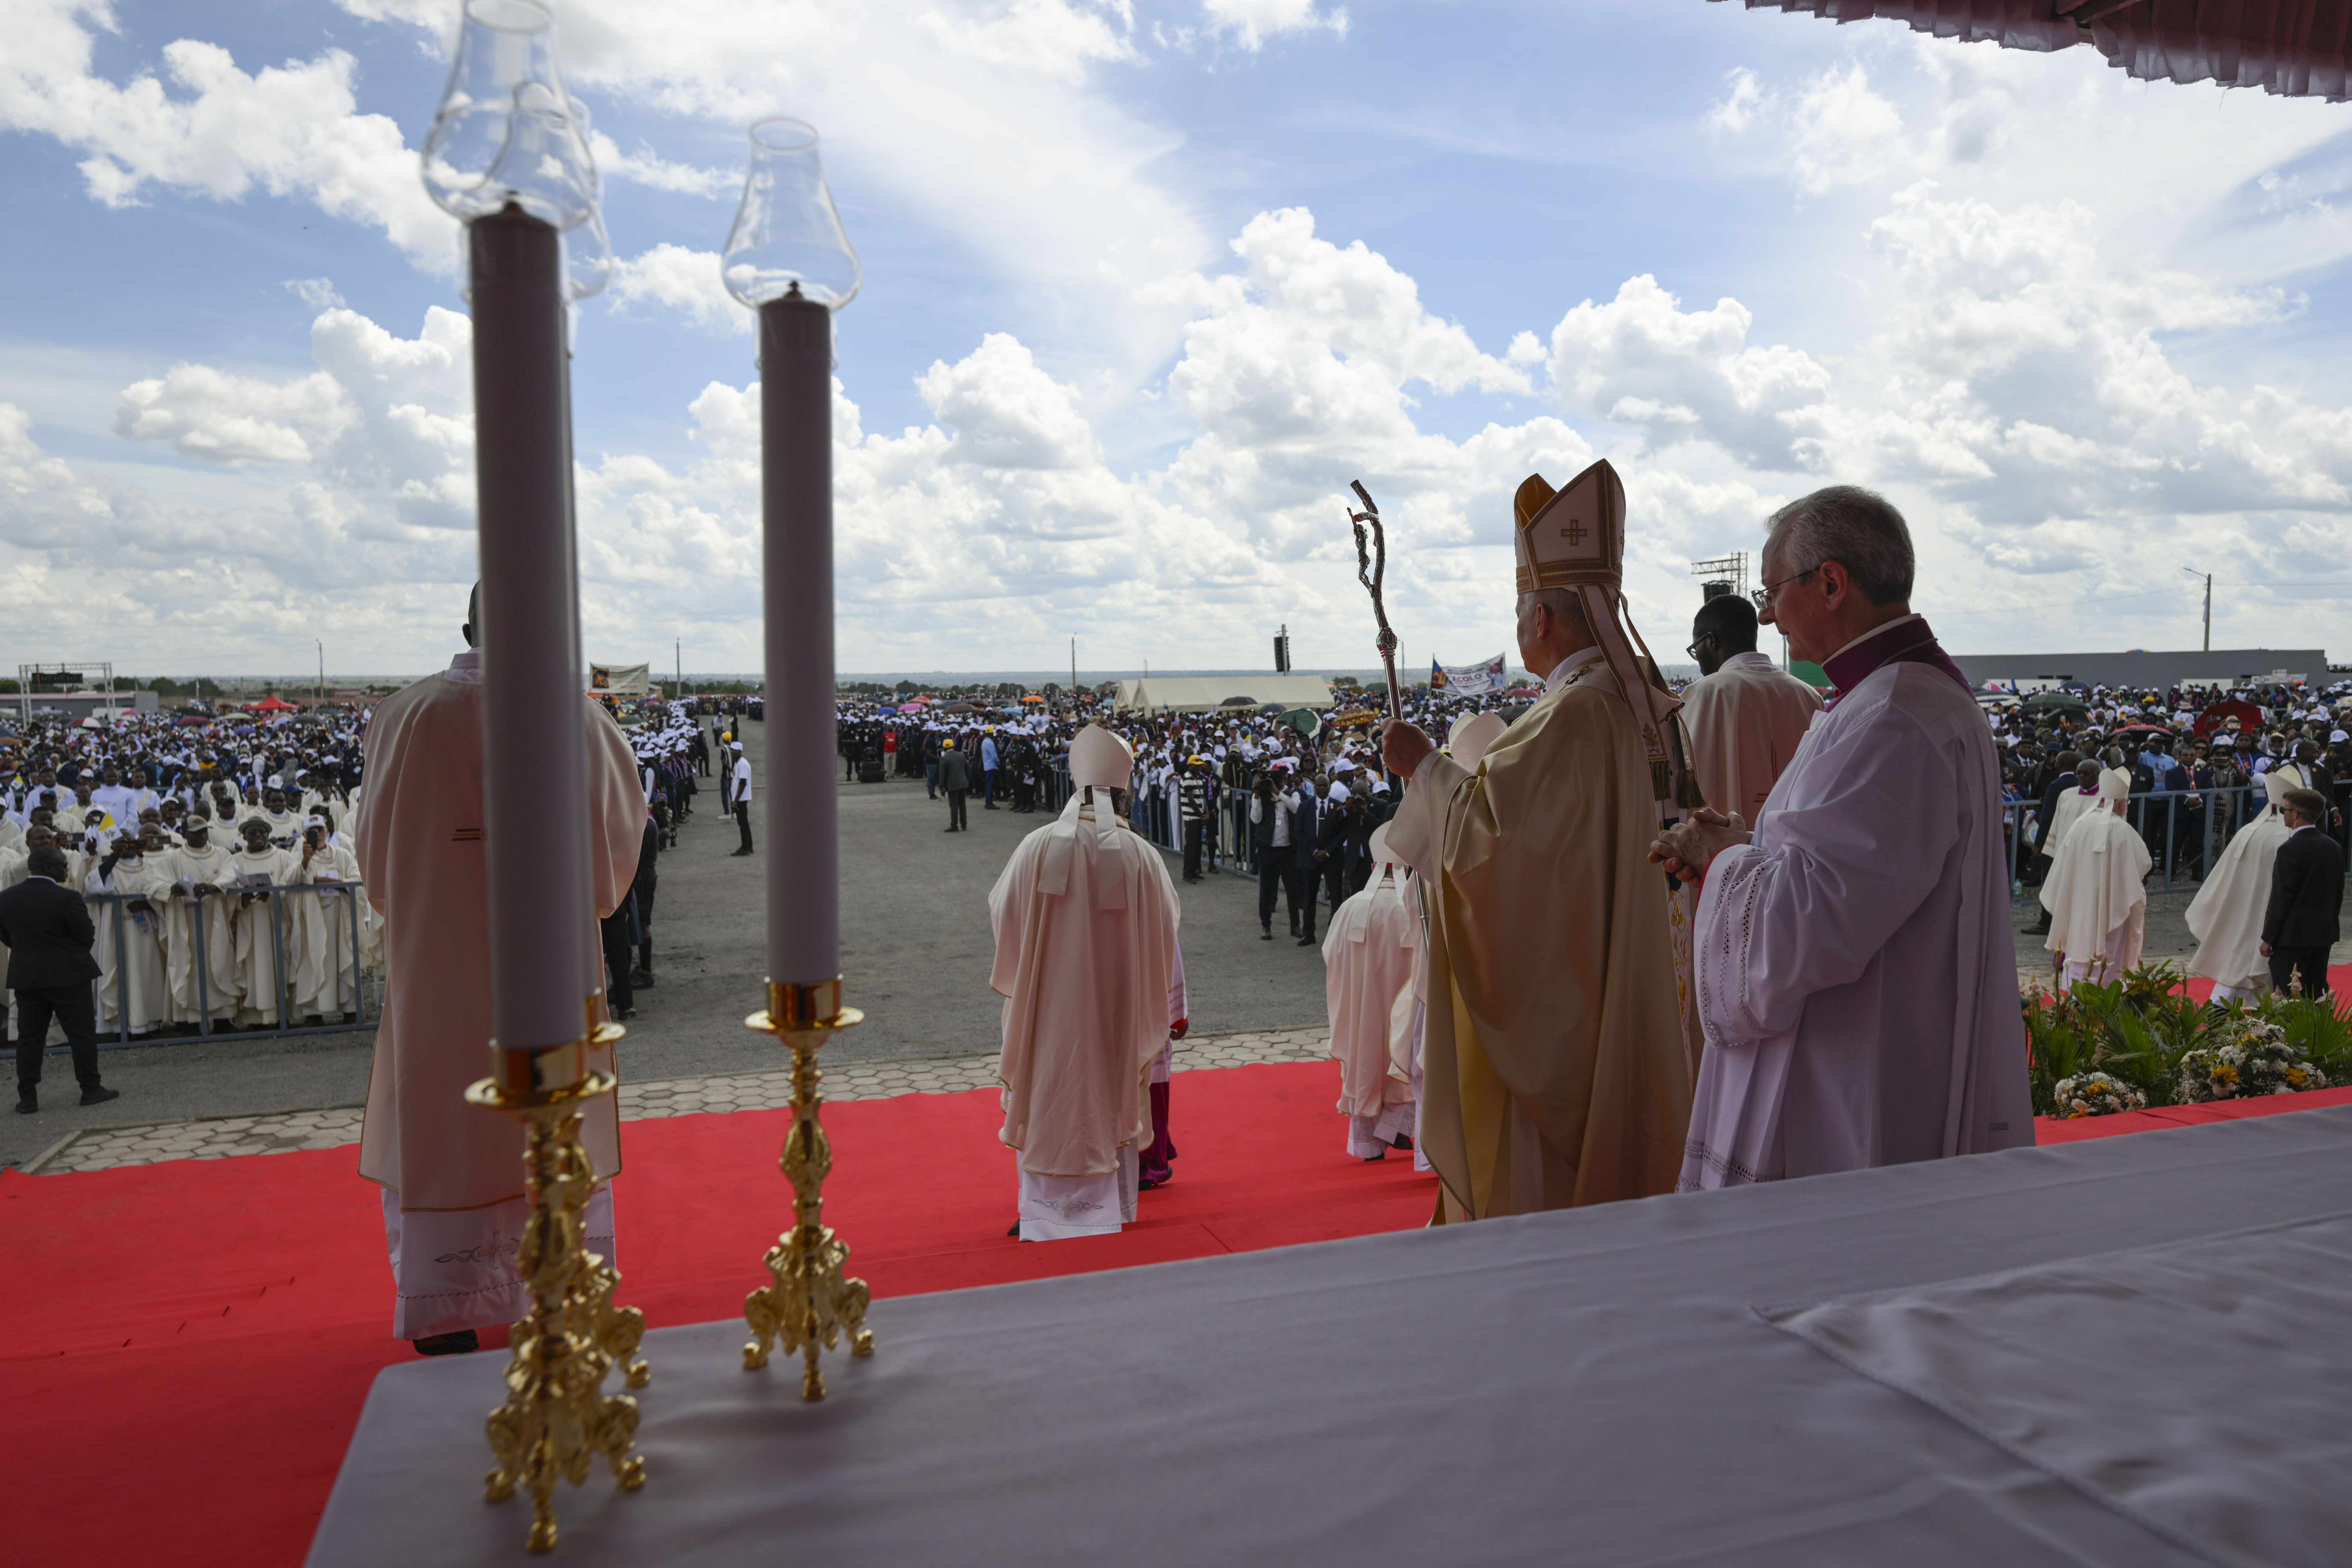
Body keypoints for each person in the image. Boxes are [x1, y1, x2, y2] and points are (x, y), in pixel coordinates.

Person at [1652, 485, 2031, 1191]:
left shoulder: (1892, 716)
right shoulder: (1887, 696)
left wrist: (1724, 859)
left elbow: (1808, 923)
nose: (1765, 615)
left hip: (1856, 1068)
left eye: (1773, 591)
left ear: (1830, 583)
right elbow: (1844, 868)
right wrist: (1746, 841)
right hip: (1879, 1035)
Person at [1384, 458, 1694, 1218]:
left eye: (1518, 607)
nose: (1517, 626)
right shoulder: (1631, 706)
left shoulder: (1572, 715)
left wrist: (1420, 765)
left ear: (1543, 619)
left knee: (1543, 1199)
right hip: (1615, 973)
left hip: (1567, 1005)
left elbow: (1492, 852)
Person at [354, 587, 643, 1355]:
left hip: (435, 961)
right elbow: (618, 851)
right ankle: (554, 1295)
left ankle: (445, 1307)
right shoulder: (578, 717)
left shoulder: (402, 716)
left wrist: (430, 891)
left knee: (438, 1114)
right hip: (548, 966)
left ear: (465, 630)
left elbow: (375, 857)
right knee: (550, 1117)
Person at [988, 727, 1186, 1240]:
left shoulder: (1034, 847)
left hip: (1046, 1006)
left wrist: (1036, 959)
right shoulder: (1140, 855)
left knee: (1049, 1087)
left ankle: (1044, 1212)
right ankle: (1110, 1208)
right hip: (1117, 1005)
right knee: (1111, 1088)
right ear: (1123, 793)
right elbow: (1168, 927)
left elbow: (1001, 911)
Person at [1678, 593, 1822, 826]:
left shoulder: (1702, 695)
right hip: (1796, 845)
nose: (1699, 660)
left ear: (1711, 641)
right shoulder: (1810, 697)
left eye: (1696, 650)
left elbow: (1687, 790)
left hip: (1727, 851)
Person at [1322, 823, 1419, 1160]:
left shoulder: (1351, 907)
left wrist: (1355, 978)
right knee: (1403, 1059)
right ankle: (1402, 1131)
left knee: (1366, 1061)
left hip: (1363, 1006)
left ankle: (1369, 1145)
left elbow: (1330, 954)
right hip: (1402, 1005)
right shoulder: (1414, 909)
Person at [4, 844, 118, 1114]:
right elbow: (86, 936)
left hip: (27, 977)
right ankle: (91, 1088)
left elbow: (6, 935)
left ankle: (28, 1098)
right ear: (46, 868)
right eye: (62, 865)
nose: (67, 870)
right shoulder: (67, 898)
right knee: (81, 1035)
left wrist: (27, 952)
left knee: (30, 1038)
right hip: (68, 975)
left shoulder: (6, 898)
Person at [2185, 768, 2304, 1002]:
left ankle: (2220, 1012)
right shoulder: (2291, 839)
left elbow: (2221, 880)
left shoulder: (2247, 831)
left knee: (2235, 967)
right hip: (2275, 921)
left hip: (2240, 917)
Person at [2039, 771, 2150, 991]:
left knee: (2079, 947)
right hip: (2111, 907)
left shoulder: (2078, 825)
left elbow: (2061, 867)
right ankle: (2105, 1001)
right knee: (2108, 952)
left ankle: (2073, 997)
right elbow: (2142, 866)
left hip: (2078, 904)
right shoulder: (2121, 829)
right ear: (2121, 805)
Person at [2262, 787, 2344, 999]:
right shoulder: (2334, 847)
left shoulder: (2290, 849)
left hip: (2292, 938)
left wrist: (2268, 938)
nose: (2284, 814)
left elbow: (2282, 898)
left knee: (2289, 997)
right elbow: (2338, 894)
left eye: (2284, 810)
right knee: (2317, 993)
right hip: (2323, 934)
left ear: (2296, 814)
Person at [1249, 767, 1300, 939]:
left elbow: (1296, 809)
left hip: (1287, 850)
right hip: (1267, 850)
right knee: (1266, 890)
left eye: (1276, 781)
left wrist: (1277, 792)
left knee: (1292, 890)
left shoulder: (1292, 793)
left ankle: (1295, 926)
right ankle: (1266, 926)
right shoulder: (1261, 795)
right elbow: (1255, 819)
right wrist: (1257, 794)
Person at [1177, 756, 1209, 883]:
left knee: (1197, 846)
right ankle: (1187, 873)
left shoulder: (1198, 779)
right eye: (1196, 765)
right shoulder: (1187, 778)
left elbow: (1202, 798)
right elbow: (1191, 800)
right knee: (1191, 846)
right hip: (1191, 817)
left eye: (1200, 765)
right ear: (1190, 765)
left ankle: (1194, 871)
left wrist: (1206, 813)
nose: (1199, 767)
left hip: (1198, 816)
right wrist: (1202, 814)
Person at [938, 738, 972, 832]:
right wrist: (967, 781)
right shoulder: (961, 755)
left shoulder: (944, 759)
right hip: (963, 783)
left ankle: (954, 825)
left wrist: (942, 788)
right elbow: (969, 770)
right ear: (953, 746)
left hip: (952, 785)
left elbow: (942, 775)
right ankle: (964, 824)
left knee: (954, 806)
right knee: (962, 805)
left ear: (944, 748)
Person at [729, 742, 754, 856]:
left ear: (739, 752)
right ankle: (749, 845)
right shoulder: (738, 763)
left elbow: (743, 783)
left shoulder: (742, 764)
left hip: (741, 799)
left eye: (734, 751)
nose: (732, 753)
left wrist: (736, 801)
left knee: (743, 823)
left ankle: (745, 848)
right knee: (744, 823)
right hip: (739, 798)